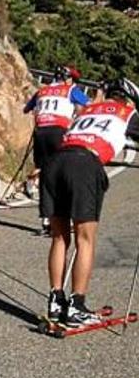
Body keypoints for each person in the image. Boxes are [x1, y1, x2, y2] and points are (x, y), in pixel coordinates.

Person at [42, 77, 139, 326]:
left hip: (55, 162)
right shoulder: (127, 113)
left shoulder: (88, 110)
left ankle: (56, 301)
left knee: (60, 236)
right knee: (85, 239)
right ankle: (77, 305)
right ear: (129, 99)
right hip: (85, 164)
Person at [24, 65, 90, 235]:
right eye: (72, 79)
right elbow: (86, 107)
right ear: (69, 79)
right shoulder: (71, 89)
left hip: (41, 132)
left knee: (45, 173)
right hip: (59, 131)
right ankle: (63, 220)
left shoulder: (43, 90)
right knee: (62, 174)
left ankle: (46, 220)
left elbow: (27, 109)